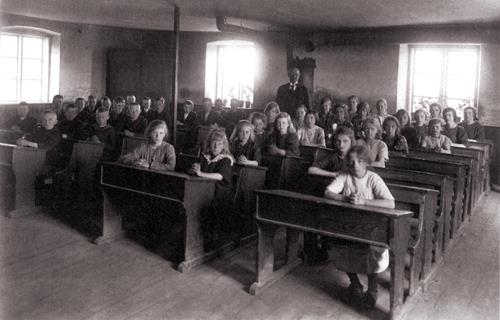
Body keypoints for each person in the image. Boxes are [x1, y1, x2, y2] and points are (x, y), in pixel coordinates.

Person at [324, 145, 395, 309]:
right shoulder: (345, 175)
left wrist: (365, 202)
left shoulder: (373, 178)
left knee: (370, 252)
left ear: (366, 163)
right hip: (349, 223)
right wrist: (345, 199)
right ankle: (355, 283)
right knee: (338, 245)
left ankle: (372, 288)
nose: (355, 164)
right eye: (352, 161)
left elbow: (390, 203)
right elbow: (328, 192)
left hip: (371, 226)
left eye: (359, 161)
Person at [189, 128, 234, 248]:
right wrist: (194, 169)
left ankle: (210, 242)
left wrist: (201, 174)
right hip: (204, 190)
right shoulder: (205, 156)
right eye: (213, 142)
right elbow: (197, 169)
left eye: (219, 143)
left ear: (223, 145)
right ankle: (193, 239)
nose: (215, 145)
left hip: (219, 192)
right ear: (209, 143)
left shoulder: (225, 159)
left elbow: (220, 176)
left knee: (210, 208)